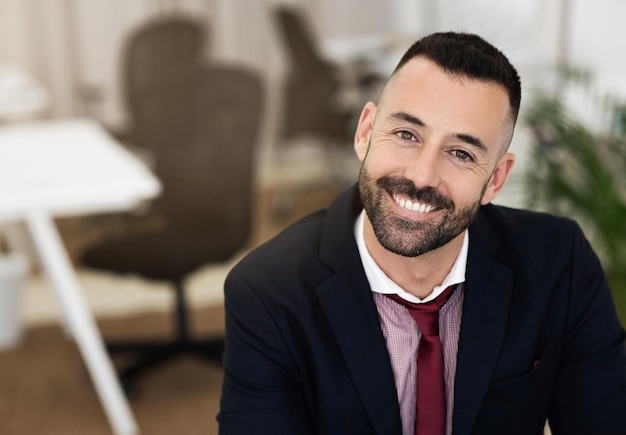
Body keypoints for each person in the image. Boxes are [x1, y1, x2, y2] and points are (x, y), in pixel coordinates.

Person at [217, 32, 626, 434]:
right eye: (407, 135)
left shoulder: (559, 261)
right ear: (365, 133)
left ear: (495, 180)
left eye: (461, 153)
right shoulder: (267, 291)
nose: (422, 175)